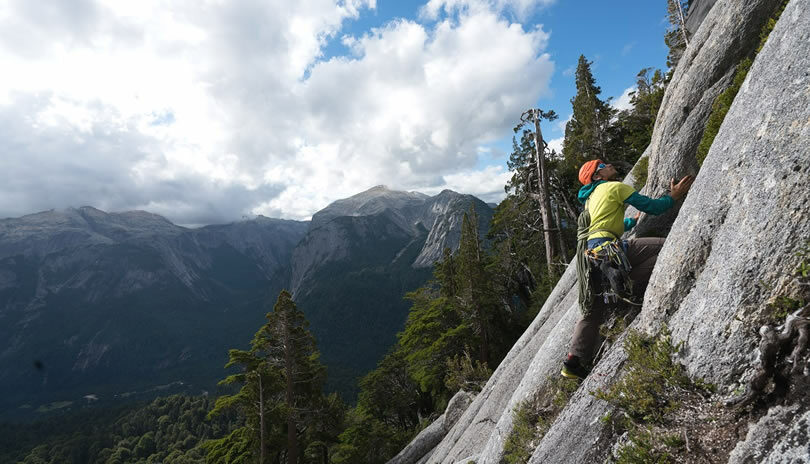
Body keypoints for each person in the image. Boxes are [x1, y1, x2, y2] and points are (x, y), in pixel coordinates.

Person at [560, 159, 694, 380]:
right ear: (597, 176)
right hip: (610, 250)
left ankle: (572, 363)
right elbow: (654, 207)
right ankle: (628, 284)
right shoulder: (615, 187)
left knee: (592, 312)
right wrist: (674, 195)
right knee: (666, 247)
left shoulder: (591, 199)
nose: (608, 164)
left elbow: (603, 224)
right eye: (602, 165)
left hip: (593, 256)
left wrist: (631, 223)